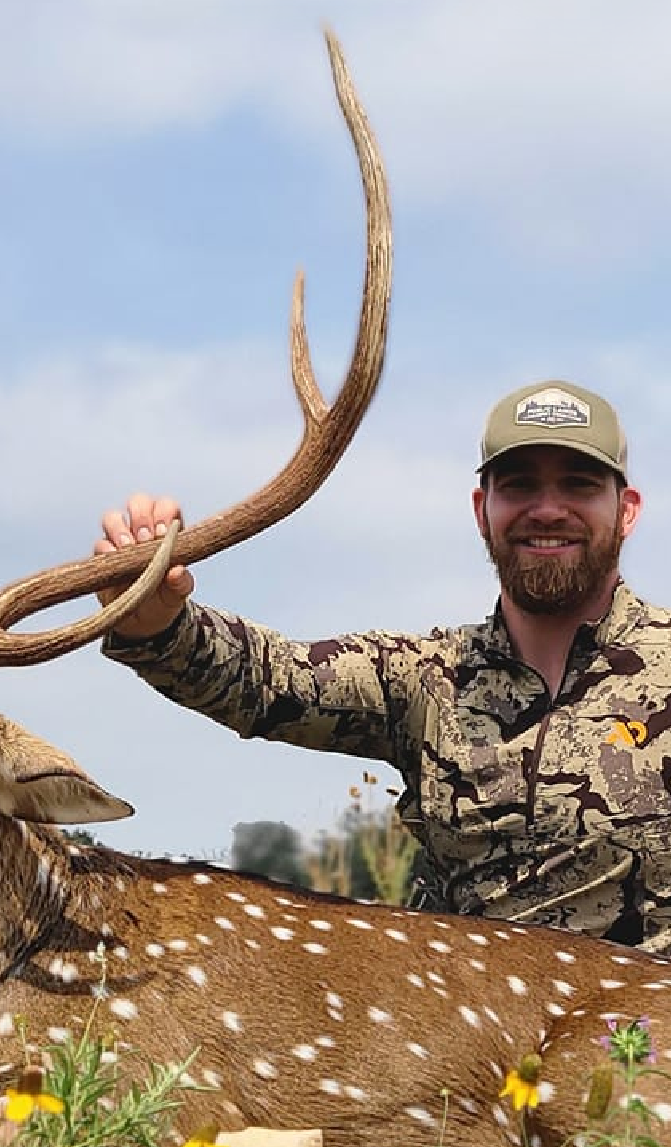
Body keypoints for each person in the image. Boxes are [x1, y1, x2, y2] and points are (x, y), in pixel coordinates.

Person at [95, 379, 671, 954]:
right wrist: (158, 620)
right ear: (482, 511)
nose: (547, 510)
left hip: (643, 1035)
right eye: (519, 486)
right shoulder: (428, 679)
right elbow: (268, 678)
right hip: (468, 1032)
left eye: (580, 485)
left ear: (627, 511)